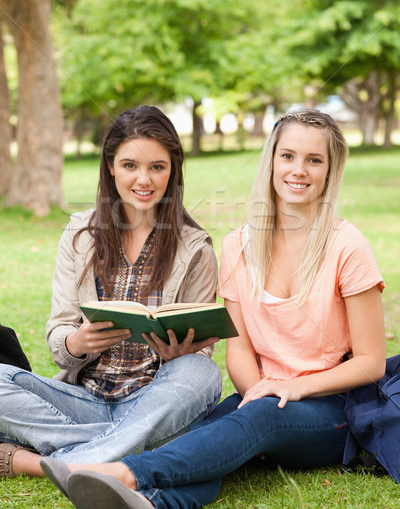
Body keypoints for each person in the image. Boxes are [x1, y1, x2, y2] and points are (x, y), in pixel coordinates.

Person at [40, 108, 386, 509]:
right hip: (259, 397)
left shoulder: (348, 244)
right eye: (288, 156)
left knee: (258, 418)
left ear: (331, 169)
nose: (299, 170)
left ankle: (122, 471)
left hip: (332, 408)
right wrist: (254, 393)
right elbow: (238, 349)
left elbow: (370, 362)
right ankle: (149, 503)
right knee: (206, 441)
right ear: (271, 160)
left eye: (315, 160)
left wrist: (289, 389)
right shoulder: (240, 244)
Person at [0, 105, 222, 479]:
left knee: (203, 373)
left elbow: (199, 353)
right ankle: (120, 450)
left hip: (154, 399)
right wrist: (78, 341)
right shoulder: (79, 234)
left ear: (173, 170)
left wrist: (175, 354)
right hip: (81, 400)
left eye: (157, 167)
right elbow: (58, 337)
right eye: (130, 165)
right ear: (110, 167)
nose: (144, 179)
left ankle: (72, 463)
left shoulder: (196, 249)